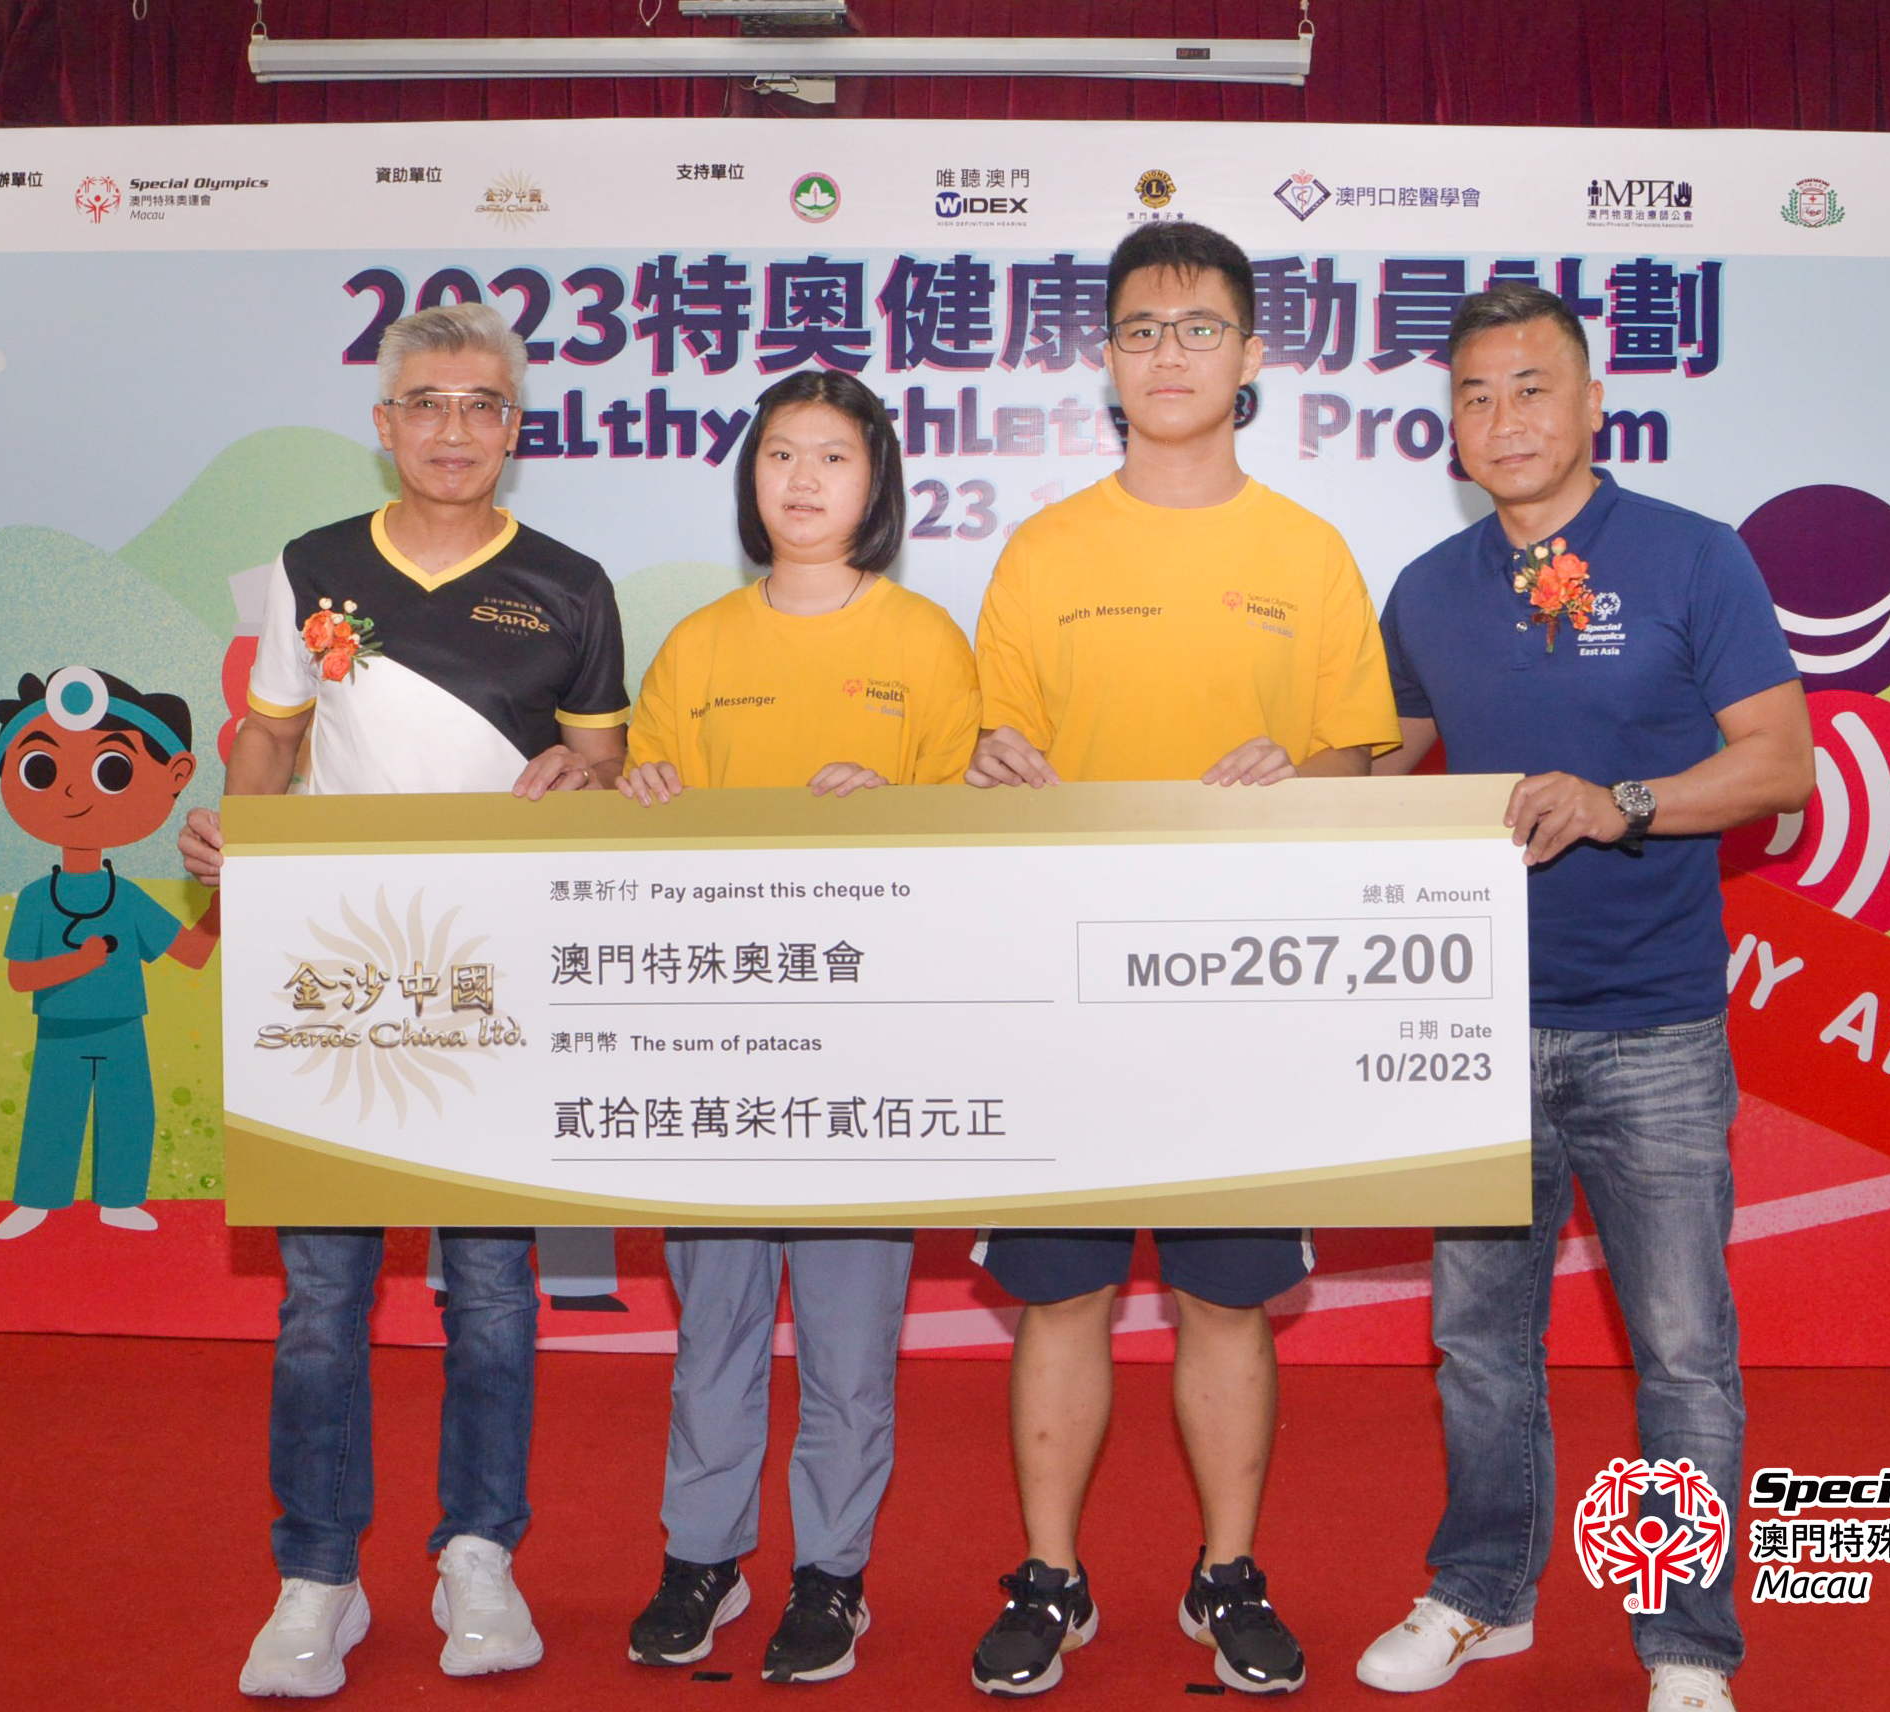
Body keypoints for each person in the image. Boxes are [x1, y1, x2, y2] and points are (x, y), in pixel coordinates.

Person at [1353, 282, 1812, 1712]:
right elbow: (1377, 766)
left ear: (1595, 403)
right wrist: (1259, 777)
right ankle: (1483, 1594)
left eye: (1532, 387)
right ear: (1451, 422)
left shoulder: (1693, 556)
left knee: (1683, 1354)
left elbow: (1781, 765)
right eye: (1476, 394)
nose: (1504, 418)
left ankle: (1688, 1642)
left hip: (1653, 1028)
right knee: (1478, 1344)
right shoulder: (1428, 587)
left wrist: (1625, 801)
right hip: (1474, 1027)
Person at [964, 221, 1400, 1697]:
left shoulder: (1307, 550)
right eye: (1142, 329)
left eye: (1200, 327)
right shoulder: (1044, 550)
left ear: (1252, 353)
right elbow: (995, 751)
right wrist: (995, 764)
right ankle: (1052, 1576)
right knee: (1062, 1295)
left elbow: (1359, 759)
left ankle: (1227, 1574)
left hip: (1248, 993)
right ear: (1105, 357)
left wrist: (1304, 770)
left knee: (1224, 1297)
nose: (1170, 353)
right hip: (1066, 985)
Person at [177, 301, 630, 1698]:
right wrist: (236, 838)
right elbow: (270, 740)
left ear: (514, 427)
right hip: (336, 976)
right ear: (384, 426)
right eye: (426, 402)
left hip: (499, 978)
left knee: (491, 1291)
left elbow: (609, 772)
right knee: (323, 1299)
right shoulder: (313, 566)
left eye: (482, 404)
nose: (453, 428)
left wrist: (586, 776)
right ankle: (318, 1573)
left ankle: (478, 1555)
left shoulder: (571, 584)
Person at [616, 368, 979, 1684]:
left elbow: (976, 845)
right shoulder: (697, 647)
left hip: (871, 1049)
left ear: (874, 484)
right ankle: (701, 1557)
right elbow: (636, 832)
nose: (805, 478)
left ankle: (833, 1572)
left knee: (846, 1339)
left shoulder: (926, 642)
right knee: (712, 1327)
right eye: (781, 453)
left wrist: (902, 808)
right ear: (750, 477)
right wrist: (640, 797)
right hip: (714, 1043)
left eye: (834, 455)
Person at [0, 667, 220, 1240]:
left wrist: (229, 895)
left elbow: (192, 953)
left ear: (175, 775)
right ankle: (38, 1199)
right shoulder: (37, 897)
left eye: (111, 771)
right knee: (52, 1113)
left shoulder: (129, 897)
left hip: (123, 1028)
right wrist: (81, 962)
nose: (73, 793)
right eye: (41, 770)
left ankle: (121, 1199)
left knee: (128, 1111)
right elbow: (20, 977)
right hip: (60, 1031)